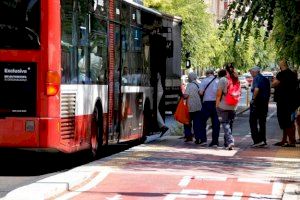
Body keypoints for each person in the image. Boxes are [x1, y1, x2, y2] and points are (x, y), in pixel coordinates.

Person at [272, 59, 298, 147]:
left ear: (282, 65)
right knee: (290, 121)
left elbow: (274, 84)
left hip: (282, 101)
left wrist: (273, 82)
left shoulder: (281, 74)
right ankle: (288, 140)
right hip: (292, 101)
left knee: (284, 121)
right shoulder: (292, 74)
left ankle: (289, 141)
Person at [216, 63, 240, 150]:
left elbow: (218, 94)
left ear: (226, 70)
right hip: (233, 105)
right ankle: (227, 143)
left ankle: (230, 141)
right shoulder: (236, 79)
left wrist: (217, 105)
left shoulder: (223, 79)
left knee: (225, 123)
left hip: (223, 105)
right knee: (230, 124)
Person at [248, 66, 270, 147]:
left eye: (251, 71)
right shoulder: (265, 79)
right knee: (262, 122)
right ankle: (262, 140)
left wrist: (253, 99)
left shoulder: (257, 78)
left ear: (255, 72)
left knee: (252, 121)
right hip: (264, 103)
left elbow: (256, 89)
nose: (250, 73)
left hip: (257, 103)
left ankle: (257, 140)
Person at [199, 69, 220, 147]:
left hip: (207, 103)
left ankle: (203, 140)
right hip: (216, 103)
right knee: (216, 123)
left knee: (202, 121)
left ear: (207, 74)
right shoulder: (218, 81)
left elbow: (201, 92)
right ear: (213, 74)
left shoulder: (204, 81)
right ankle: (215, 142)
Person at [183, 72, 203, 144]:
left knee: (187, 122)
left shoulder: (189, 85)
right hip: (198, 106)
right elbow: (201, 93)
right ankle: (198, 138)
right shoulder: (199, 84)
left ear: (190, 78)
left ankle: (188, 137)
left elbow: (186, 96)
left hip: (190, 107)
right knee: (197, 123)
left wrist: (182, 96)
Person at [157, 73, 169, 137]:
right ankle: (162, 126)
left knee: (155, 110)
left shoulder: (156, 73)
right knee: (156, 109)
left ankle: (163, 126)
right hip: (159, 90)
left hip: (158, 91)